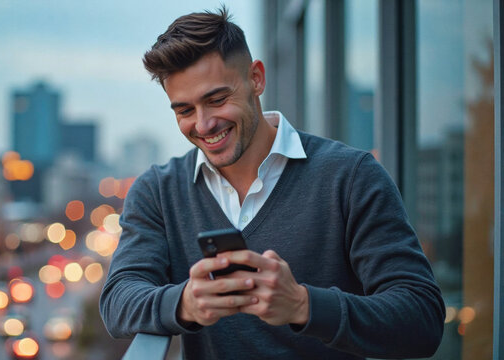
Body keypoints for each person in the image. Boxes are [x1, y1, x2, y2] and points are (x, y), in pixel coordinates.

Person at [100, 7, 444, 359]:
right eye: (185, 111)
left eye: (216, 100)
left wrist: (304, 306)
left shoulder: (351, 176)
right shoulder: (158, 191)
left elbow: (422, 317)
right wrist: (185, 302)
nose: (203, 125)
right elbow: (117, 302)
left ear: (257, 78)